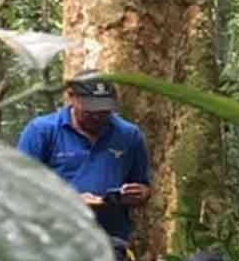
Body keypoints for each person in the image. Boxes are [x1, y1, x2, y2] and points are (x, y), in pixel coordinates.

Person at [16, 72, 152, 241]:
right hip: (54, 238)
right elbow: (19, 188)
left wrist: (138, 193)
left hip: (109, 238)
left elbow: (144, 186)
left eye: (103, 111)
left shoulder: (129, 135)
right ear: (71, 97)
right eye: (89, 110)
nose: (96, 116)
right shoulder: (42, 131)